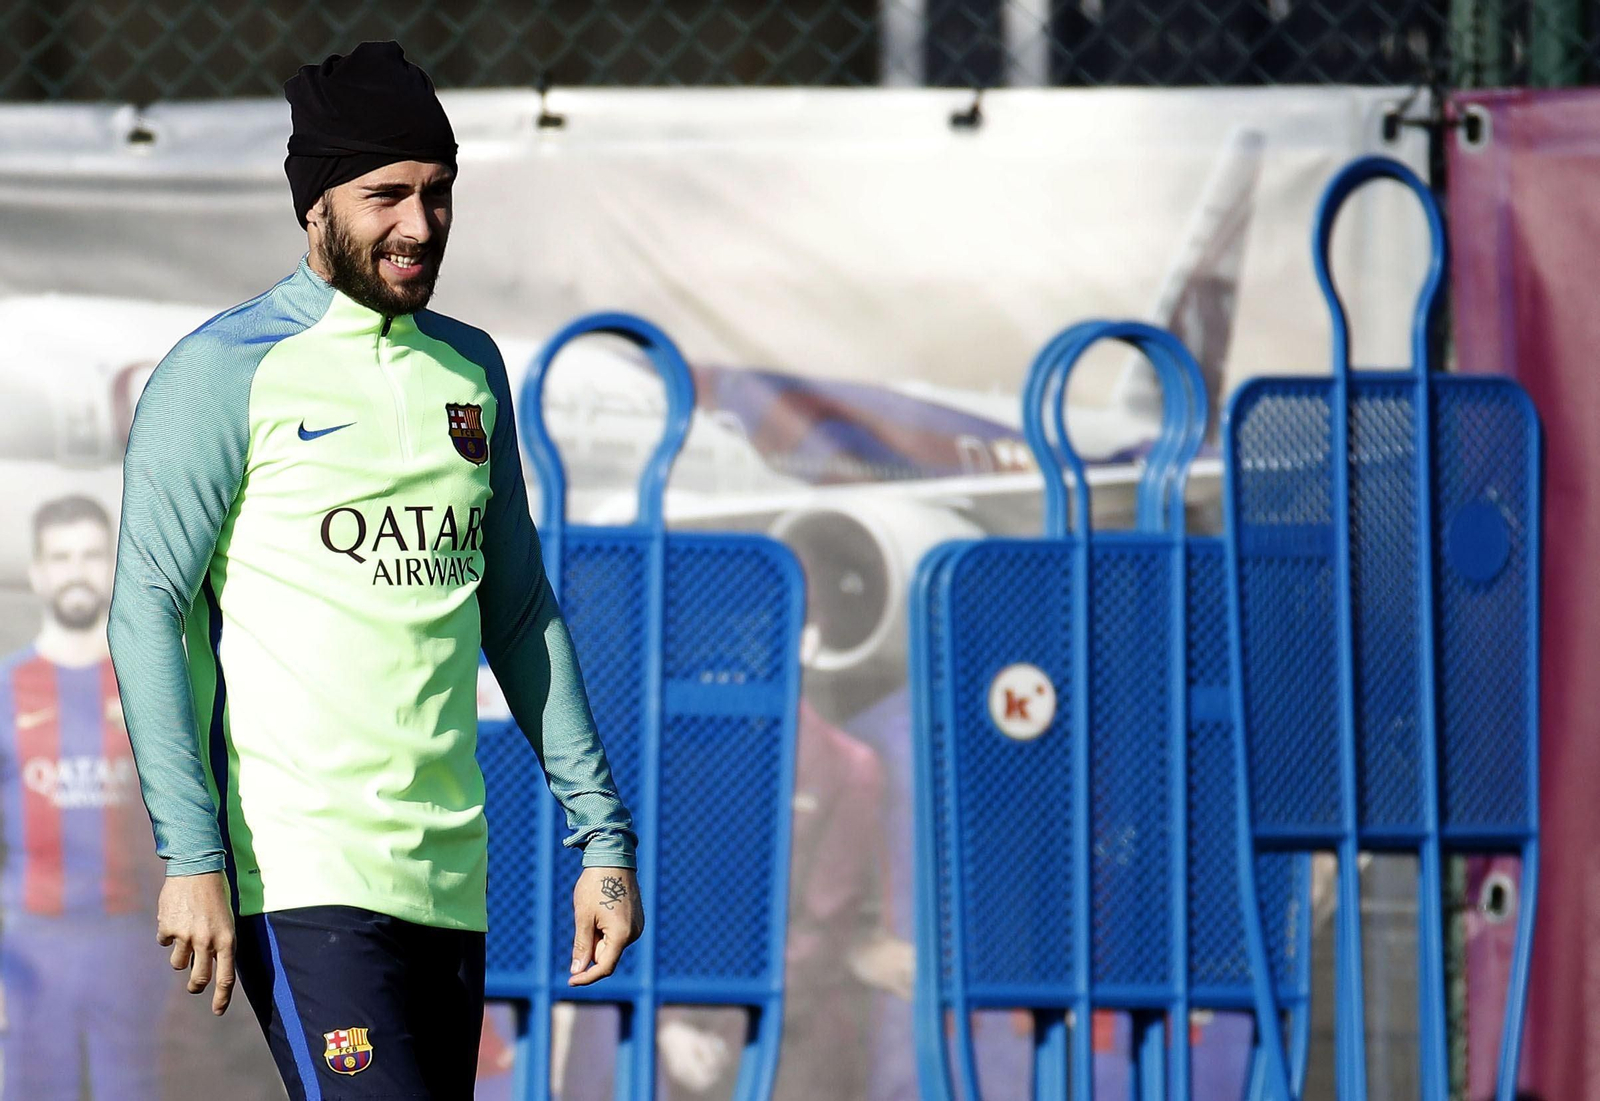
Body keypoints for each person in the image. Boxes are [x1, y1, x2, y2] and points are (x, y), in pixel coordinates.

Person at [106, 41, 643, 1101]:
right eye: (384, 195)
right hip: (300, 870)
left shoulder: (470, 367)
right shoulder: (223, 372)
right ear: (314, 207)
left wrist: (604, 843)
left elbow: (520, 608)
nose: (418, 225)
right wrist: (192, 854)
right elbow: (150, 610)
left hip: (448, 884)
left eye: (438, 194)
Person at [0, 495, 165, 1099]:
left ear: (112, 565)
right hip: (33, 952)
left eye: (92, 554)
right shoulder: (6, 688)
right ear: (38, 572)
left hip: (138, 948)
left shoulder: (151, 682)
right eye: (61, 556)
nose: (77, 570)